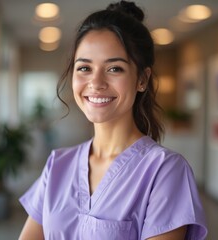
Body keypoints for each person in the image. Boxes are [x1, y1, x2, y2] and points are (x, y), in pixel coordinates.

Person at [19, 1, 208, 239]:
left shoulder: (165, 171)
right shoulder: (57, 165)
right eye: (84, 68)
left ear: (142, 79)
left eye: (114, 68)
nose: (96, 83)